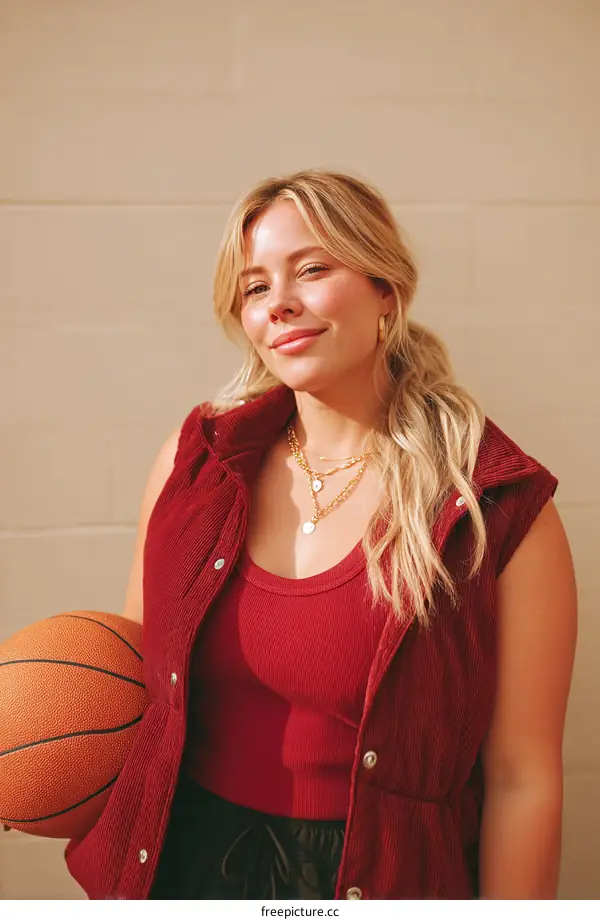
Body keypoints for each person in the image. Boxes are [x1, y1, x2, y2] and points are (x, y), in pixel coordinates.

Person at [65, 169, 577, 900]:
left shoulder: (494, 507)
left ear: (385, 291)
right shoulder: (197, 465)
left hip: (375, 879)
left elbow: (524, 780)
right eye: (255, 287)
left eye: (312, 270)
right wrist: (42, 765)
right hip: (181, 867)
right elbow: (131, 680)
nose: (281, 304)